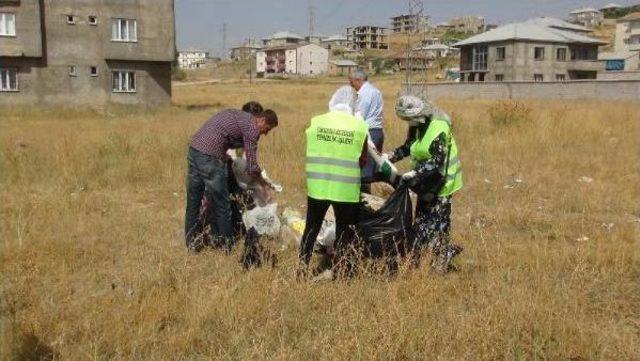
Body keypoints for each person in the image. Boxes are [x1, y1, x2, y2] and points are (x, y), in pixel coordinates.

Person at [185, 103, 278, 253]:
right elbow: (252, 167)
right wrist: (264, 184)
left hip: (195, 149)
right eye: (267, 129)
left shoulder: (241, 117)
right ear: (261, 120)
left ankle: (191, 243)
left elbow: (221, 133)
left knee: (193, 201)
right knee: (222, 203)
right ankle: (226, 246)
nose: (265, 133)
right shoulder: (252, 128)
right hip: (210, 157)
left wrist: (225, 156)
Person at [387, 95, 464, 273]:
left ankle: (442, 259)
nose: (408, 123)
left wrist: (415, 173)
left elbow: (437, 160)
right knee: (422, 219)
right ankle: (422, 257)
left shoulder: (439, 127)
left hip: (443, 181)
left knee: (440, 221)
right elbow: (408, 147)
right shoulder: (417, 125)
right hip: (425, 182)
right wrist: (390, 156)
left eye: (409, 119)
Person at [299, 86, 369, 278]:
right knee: (344, 231)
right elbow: (363, 160)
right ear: (353, 104)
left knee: (311, 229)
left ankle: (301, 270)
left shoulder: (316, 122)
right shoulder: (359, 126)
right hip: (345, 189)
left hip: (318, 186)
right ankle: (342, 271)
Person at [348, 70, 384, 192]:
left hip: (368, 134)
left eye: (352, 83)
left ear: (359, 80)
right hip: (377, 132)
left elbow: (359, 117)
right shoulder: (375, 91)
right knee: (374, 168)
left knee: (365, 170)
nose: (351, 86)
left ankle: (366, 201)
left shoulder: (364, 94)